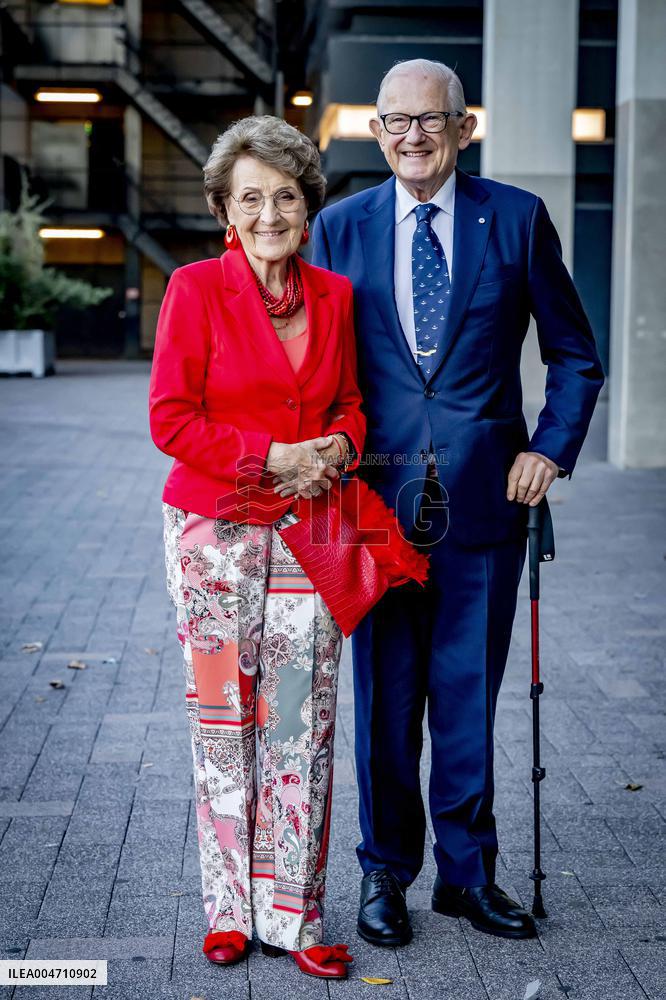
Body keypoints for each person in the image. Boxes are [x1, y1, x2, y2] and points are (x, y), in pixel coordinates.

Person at [311, 59, 604, 944]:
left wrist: (548, 449)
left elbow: (575, 354)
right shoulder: (340, 228)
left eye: (428, 121)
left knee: (467, 698)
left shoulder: (514, 219)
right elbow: (311, 366)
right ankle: (385, 876)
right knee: (386, 706)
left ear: (463, 127)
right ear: (376, 132)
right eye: (393, 122)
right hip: (373, 508)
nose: (410, 136)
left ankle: (467, 878)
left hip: (483, 506)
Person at [149, 115, 365, 979]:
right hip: (212, 536)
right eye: (250, 199)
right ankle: (229, 909)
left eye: (284, 196)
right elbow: (170, 419)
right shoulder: (195, 289)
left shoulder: (337, 297)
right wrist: (272, 457)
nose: (269, 213)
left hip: (307, 532)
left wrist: (339, 451)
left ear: (306, 209)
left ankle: (295, 915)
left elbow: (351, 404)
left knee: (299, 724)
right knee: (222, 723)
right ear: (223, 211)